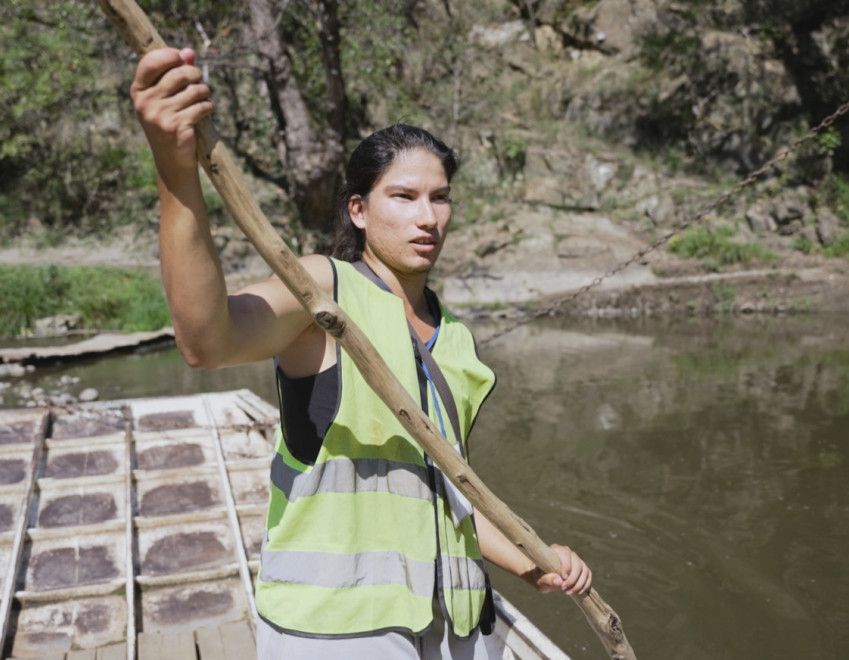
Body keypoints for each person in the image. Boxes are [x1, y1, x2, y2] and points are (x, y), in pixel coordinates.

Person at [130, 46, 592, 659]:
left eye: (440, 197)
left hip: (450, 626)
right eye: (403, 196)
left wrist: (535, 563)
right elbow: (207, 340)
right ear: (359, 211)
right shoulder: (324, 292)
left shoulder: (455, 338)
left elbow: (450, 491)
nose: (427, 217)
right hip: (339, 628)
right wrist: (175, 169)